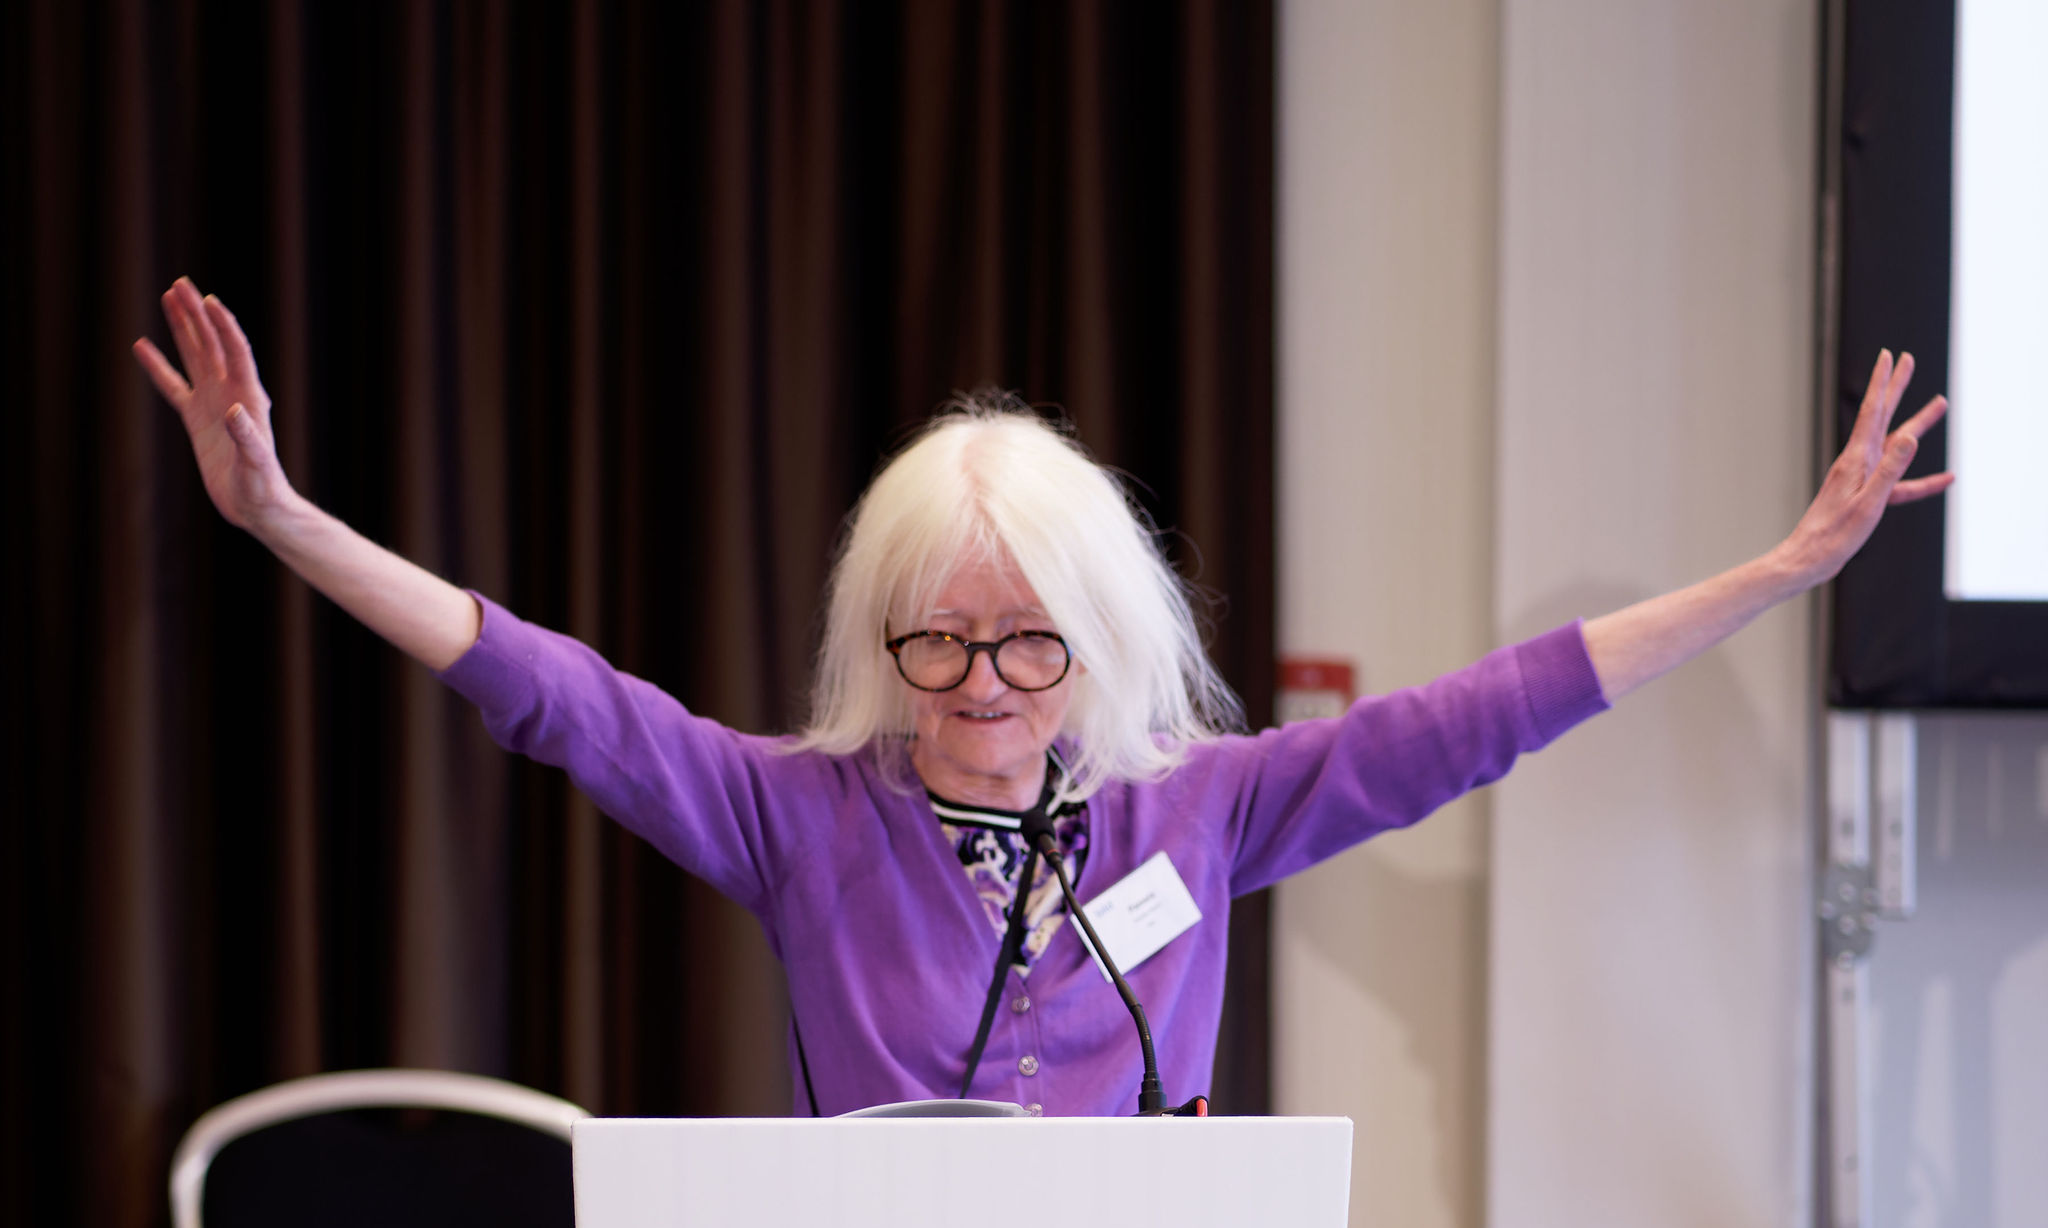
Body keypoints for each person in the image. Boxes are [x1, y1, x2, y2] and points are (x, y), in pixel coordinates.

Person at [135, 276, 1952, 1115]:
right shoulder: (799, 817)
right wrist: (287, 519)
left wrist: (1780, 574)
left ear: (1099, 638)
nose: (983, 685)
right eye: (936, 641)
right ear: (882, 642)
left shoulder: (1202, 810)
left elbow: (1477, 719)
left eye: (1028, 642)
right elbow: (552, 691)